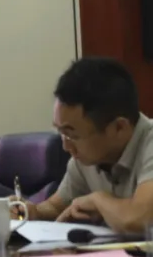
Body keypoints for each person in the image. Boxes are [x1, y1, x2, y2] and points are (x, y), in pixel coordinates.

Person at [13, 57, 153, 233]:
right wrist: (30, 211)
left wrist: (98, 200)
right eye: (60, 132)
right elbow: (55, 207)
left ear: (119, 128)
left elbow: (138, 219)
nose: (66, 146)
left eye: (72, 135)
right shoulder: (87, 158)